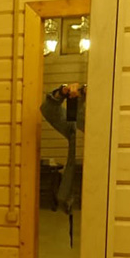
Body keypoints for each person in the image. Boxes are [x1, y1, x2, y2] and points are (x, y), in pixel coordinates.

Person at [39, 81, 86, 215]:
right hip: (72, 202)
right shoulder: (74, 126)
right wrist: (61, 93)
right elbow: (48, 110)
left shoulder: (109, 127)